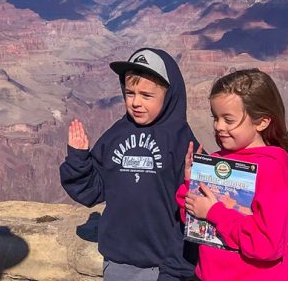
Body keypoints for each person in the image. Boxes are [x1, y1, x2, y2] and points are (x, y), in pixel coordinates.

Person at [60, 48, 198, 281]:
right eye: (129, 93)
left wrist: (177, 267)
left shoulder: (182, 141)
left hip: (164, 264)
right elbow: (92, 192)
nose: (135, 102)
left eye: (146, 95)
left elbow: (192, 213)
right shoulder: (116, 135)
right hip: (117, 262)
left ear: (170, 94)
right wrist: (79, 159)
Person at [177, 69, 288, 280]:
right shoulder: (219, 161)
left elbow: (267, 244)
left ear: (262, 122)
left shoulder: (272, 170)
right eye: (215, 118)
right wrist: (192, 184)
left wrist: (215, 213)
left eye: (228, 119)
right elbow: (193, 225)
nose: (218, 127)